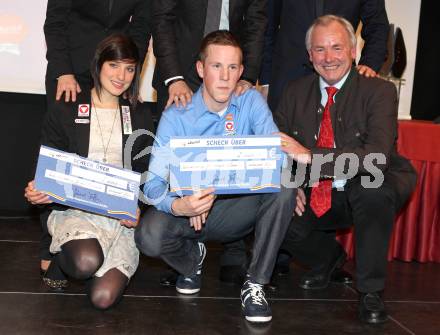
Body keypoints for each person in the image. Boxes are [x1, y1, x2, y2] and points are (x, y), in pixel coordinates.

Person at [136, 30, 296, 323]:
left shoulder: (251, 103)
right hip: (189, 214)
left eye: (232, 67)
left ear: (241, 72)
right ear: (200, 69)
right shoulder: (177, 115)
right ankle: (191, 261)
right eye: (216, 66)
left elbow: (277, 157)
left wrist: (210, 182)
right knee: (148, 236)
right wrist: (179, 203)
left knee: (286, 185)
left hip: (236, 211)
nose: (225, 76)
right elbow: (153, 184)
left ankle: (256, 283)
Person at [274, 15, 416, 324]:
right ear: (309, 55)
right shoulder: (294, 92)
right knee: (274, 203)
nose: (328, 58)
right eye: (319, 50)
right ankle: (328, 259)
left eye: (337, 47)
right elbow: (277, 148)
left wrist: (311, 157)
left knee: (372, 189)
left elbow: (376, 158)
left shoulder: (379, 91)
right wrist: (288, 181)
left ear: (353, 50)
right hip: (317, 190)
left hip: (368, 185)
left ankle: (370, 291)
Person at [24, 34, 154, 309]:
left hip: (118, 220)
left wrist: (138, 205)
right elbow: (50, 163)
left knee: (103, 298)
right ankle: (63, 260)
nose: (122, 76)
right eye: (114, 66)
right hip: (75, 211)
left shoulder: (139, 114)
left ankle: (83, 261)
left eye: (130, 69)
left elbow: (145, 173)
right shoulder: (68, 106)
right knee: (85, 262)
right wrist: (40, 189)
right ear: (99, 65)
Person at [41, 0, 151, 274]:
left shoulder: (124, 72)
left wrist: (128, 68)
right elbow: (56, 20)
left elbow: (141, 24)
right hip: (72, 70)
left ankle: (104, 240)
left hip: (114, 63)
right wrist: (62, 70)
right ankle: (54, 247)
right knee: (61, 156)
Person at [260, 0, 390, 111]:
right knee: (284, 138)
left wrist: (369, 64)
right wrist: (266, 81)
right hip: (287, 78)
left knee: (339, 138)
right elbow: (268, 25)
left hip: (340, 79)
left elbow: (377, 26)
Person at [151, 0, 267, 116]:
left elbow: (256, 24)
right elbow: (162, 20)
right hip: (181, 72)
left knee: (227, 132)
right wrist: (174, 79)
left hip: (229, 76)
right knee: (176, 131)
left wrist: (247, 78)